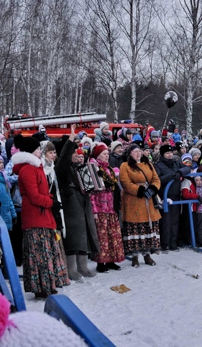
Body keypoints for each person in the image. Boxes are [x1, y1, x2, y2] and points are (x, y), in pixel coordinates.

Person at [12, 135, 70, 299]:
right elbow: (34, 196)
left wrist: (49, 202)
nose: (40, 151)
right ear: (31, 151)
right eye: (38, 149)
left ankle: (47, 285)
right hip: (36, 216)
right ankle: (42, 286)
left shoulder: (35, 167)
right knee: (39, 254)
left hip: (42, 215)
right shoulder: (27, 170)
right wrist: (51, 201)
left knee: (45, 253)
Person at [55, 128, 100, 280]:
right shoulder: (61, 168)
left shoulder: (77, 168)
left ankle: (83, 266)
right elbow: (62, 160)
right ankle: (71, 268)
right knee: (73, 239)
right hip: (70, 208)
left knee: (83, 236)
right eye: (74, 153)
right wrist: (69, 142)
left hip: (82, 205)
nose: (76, 155)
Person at [119, 144, 161, 267]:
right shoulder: (125, 166)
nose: (138, 153)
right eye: (135, 151)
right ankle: (135, 256)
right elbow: (125, 182)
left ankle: (147, 255)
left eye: (139, 151)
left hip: (148, 201)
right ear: (130, 153)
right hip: (134, 200)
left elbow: (156, 179)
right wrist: (140, 191)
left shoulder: (148, 164)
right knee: (135, 229)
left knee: (148, 228)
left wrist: (153, 189)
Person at [87, 144, 124, 272]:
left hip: (110, 206)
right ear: (97, 155)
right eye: (104, 154)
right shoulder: (93, 168)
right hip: (100, 206)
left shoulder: (108, 168)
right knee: (102, 236)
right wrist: (94, 210)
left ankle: (111, 260)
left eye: (107, 154)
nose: (107, 156)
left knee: (112, 235)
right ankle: (101, 263)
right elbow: (91, 191)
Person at [155, 144, 183, 252]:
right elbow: (158, 179)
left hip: (176, 195)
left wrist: (180, 172)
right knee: (166, 221)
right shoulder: (158, 165)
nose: (170, 154)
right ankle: (165, 243)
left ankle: (173, 243)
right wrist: (170, 176)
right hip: (165, 196)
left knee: (175, 221)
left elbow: (187, 168)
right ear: (163, 154)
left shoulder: (176, 162)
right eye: (167, 153)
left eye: (171, 152)